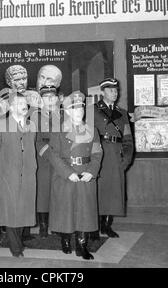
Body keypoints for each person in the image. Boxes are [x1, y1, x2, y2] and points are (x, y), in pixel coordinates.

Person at [39, 91, 102, 260]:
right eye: (74, 109)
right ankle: (65, 239)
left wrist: (91, 172)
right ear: (67, 111)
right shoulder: (58, 130)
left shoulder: (92, 130)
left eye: (81, 108)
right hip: (65, 175)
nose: (79, 111)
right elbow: (53, 155)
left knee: (85, 211)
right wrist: (69, 173)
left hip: (86, 175)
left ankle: (82, 245)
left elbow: (97, 154)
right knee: (66, 210)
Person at [0, 92, 37, 258]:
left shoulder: (31, 125)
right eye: (18, 103)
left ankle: (19, 242)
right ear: (10, 107)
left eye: (25, 103)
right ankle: (15, 248)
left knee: (24, 210)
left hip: (28, 176)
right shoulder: (0, 125)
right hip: (8, 176)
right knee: (10, 211)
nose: (23, 106)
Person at [93, 78, 134, 238]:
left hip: (116, 156)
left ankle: (107, 225)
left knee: (114, 192)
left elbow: (128, 139)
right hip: (99, 155)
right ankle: (94, 226)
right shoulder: (92, 110)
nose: (114, 93)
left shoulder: (122, 113)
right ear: (102, 92)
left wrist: (126, 159)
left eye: (116, 90)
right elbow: (86, 135)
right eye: (110, 90)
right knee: (98, 192)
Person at [33, 85, 62, 238]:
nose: (50, 99)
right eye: (46, 97)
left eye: (53, 96)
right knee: (43, 193)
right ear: (41, 99)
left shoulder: (63, 116)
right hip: (43, 158)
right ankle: (43, 225)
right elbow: (35, 139)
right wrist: (48, 153)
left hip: (60, 158)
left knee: (57, 192)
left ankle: (56, 224)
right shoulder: (35, 116)